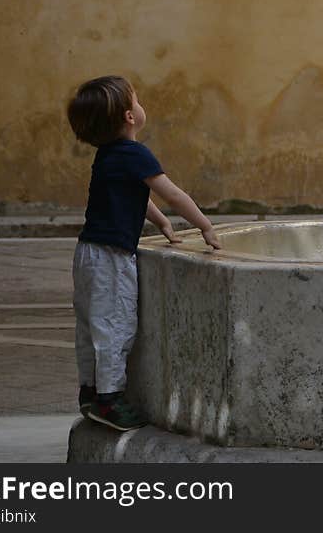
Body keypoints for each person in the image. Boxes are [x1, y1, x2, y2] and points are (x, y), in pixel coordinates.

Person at [66, 75, 222, 431]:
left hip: (87, 253)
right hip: (111, 258)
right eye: (136, 100)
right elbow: (173, 194)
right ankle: (110, 401)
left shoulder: (108, 155)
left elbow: (137, 197)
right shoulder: (136, 154)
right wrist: (204, 225)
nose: (140, 105)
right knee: (115, 327)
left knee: (90, 326)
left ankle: (90, 392)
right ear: (129, 116)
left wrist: (162, 224)